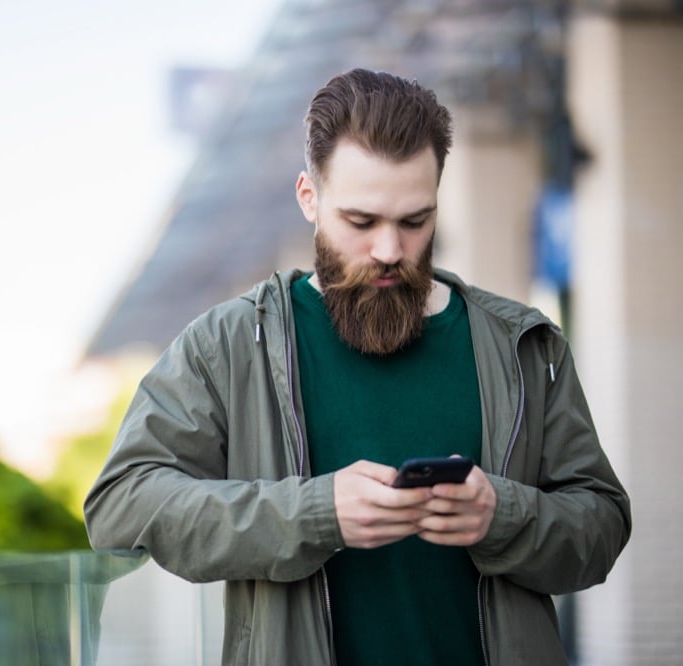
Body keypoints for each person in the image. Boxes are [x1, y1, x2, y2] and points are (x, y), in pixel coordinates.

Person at [83, 68, 630, 666]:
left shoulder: (522, 342)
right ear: (308, 198)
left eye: (415, 221)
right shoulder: (230, 343)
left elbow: (601, 524)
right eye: (362, 223)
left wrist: (503, 515)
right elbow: (121, 506)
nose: (390, 250)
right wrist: (315, 512)